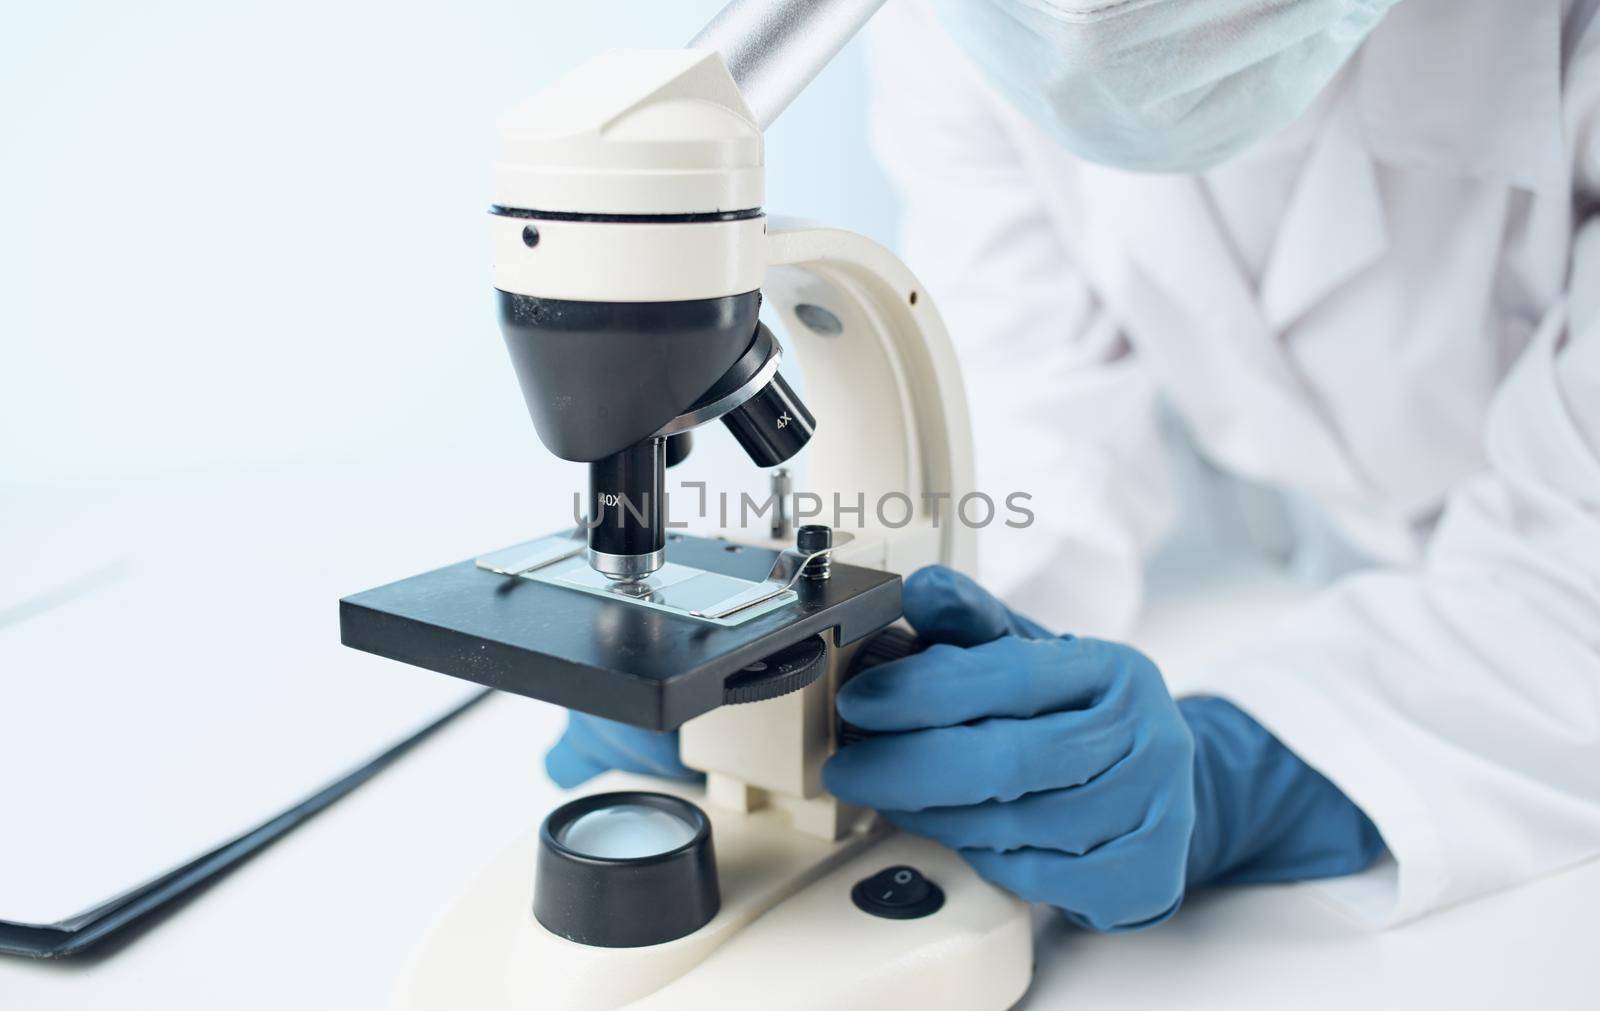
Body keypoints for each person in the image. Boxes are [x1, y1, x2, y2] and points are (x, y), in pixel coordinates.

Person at [548, 0, 1600, 931]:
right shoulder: (963, 29)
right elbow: (1029, 393)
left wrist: (1262, 760)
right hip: (1270, 541)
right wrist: (850, 657)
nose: (1082, 20)